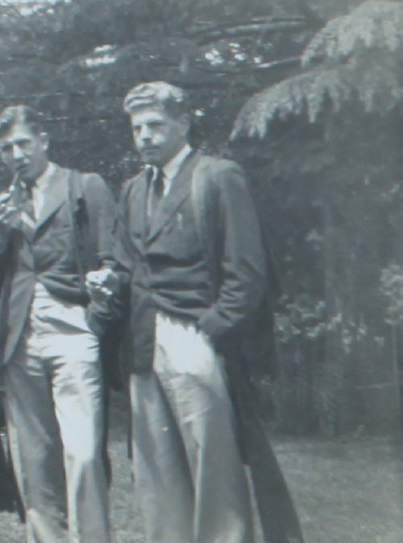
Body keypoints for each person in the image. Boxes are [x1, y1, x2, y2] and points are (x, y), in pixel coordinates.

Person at [89, 81, 272, 543]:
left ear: (183, 123)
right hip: (143, 340)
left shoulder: (217, 175)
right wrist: (109, 281)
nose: (145, 136)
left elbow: (246, 271)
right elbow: (127, 263)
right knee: (158, 473)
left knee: (214, 469)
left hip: (194, 336)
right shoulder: (133, 190)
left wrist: (210, 331)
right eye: (137, 128)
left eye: (155, 125)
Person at [0, 105, 115, 543]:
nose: (17, 154)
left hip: (74, 330)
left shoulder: (85, 186)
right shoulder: (3, 203)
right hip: (20, 338)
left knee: (81, 453)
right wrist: (0, 235)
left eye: (24, 143)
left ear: (44, 141)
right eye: (7, 149)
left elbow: (111, 260)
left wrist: (96, 315)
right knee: (34, 459)